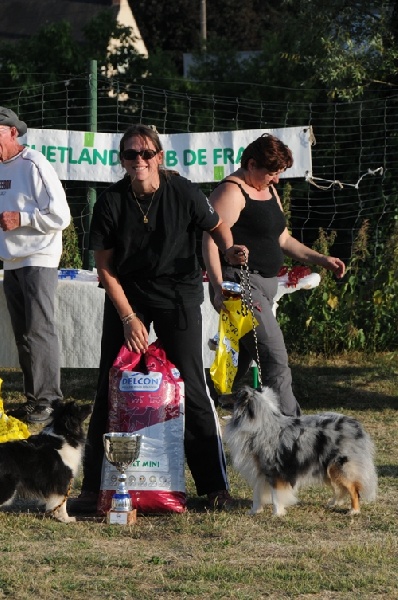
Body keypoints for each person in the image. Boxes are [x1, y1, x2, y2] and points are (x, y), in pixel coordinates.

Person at [72, 124, 248, 513]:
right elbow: (104, 268)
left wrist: (231, 249)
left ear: (159, 157)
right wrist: (129, 317)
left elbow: (216, 226)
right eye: (130, 154)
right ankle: (94, 485)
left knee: (193, 385)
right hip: (128, 293)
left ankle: (214, 487)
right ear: (122, 160)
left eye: (145, 154)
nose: (139, 161)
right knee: (109, 382)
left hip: (178, 294)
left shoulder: (183, 190)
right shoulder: (111, 201)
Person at [202, 133, 346, 417]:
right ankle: (293, 429)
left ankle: (190, 400)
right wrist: (219, 288)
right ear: (251, 164)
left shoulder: (269, 191)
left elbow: (283, 239)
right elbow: (208, 241)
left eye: (279, 173)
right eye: (272, 173)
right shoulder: (231, 192)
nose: (276, 179)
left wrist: (322, 258)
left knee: (237, 363)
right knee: (275, 360)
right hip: (239, 284)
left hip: (265, 285)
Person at [0, 107, 71, 424]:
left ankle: (50, 401)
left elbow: (62, 217)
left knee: (39, 331)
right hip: (11, 260)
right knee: (23, 334)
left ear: (12, 132)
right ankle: (34, 400)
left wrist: (22, 218)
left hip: (38, 256)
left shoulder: (34, 164)